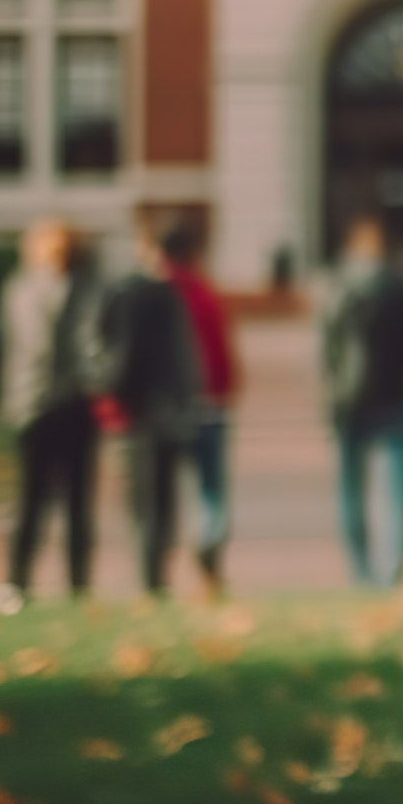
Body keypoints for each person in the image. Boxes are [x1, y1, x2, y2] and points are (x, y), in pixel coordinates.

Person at [320, 213, 403, 589]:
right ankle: (392, 570)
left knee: (350, 488)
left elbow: (325, 351)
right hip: (394, 397)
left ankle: (361, 570)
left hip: (348, 401)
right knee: (398, 492)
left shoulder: (335, 287)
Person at [0, 218, 101, 614]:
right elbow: (36, 343)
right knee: (31, 500)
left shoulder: (87, 287)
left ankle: (79, 584)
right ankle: (17, 581)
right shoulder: (22, 288)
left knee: (78, 503)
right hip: (35, 407)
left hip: (74, 407)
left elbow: (90, 342)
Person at [95, 215, 203, 601]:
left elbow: (117, 353)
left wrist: (112, 390)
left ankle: (151, 576)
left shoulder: (131, 292)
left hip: (140, 409)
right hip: (168, 407)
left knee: (143, 498)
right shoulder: (167, 294)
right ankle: (156, 574)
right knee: (162, 496)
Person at [156, 217, 238, 600]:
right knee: (211, 489)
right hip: (207, 406)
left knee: (163, 488)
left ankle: (160, 560)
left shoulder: (155, 294)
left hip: (166, 408)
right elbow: (220, 356)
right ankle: (209, 546)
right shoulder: (205, 295)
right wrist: (223, 391)